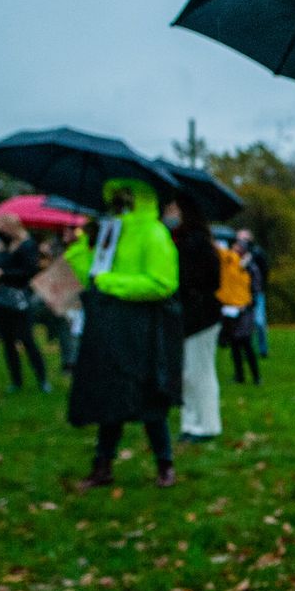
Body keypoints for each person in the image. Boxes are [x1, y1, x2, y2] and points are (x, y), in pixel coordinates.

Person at [65, 178, 181, 489]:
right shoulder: (108, 232)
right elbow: (90, 275)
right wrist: (80, 246)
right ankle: (102, 465)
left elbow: (163, 283)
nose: (118, 201)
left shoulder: (154, 233)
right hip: (108, 324)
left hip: (142, 326)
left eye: (124, 195)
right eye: (113, 196)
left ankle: (165, 463)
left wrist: (113, 283)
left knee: (148, 395)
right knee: (109, 394)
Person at [165, 194, 223, 442]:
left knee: (199, 371)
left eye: (173, 209)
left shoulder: (197, 243)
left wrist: (187, 285)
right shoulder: (178, 241)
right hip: (188, 316)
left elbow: (211, 280)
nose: (169, 214)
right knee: (188, 373)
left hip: (201, 316)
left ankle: (207, 425)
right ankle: (191, 423)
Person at [0, 214, 51, 394]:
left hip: (20, 299)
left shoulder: (28, 246)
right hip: (3, 299)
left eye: (1, 226)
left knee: (26, 339)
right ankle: (16, 380)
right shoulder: (3, 247)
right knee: (7, 341)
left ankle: (42, 379)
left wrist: (3, 273)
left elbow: (29, 271)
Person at [216, 239, 260, 385]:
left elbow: (255, 289)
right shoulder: (230, 264)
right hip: (231, 309)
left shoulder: (250, 268)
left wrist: (247, 305)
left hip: (244, 310)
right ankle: (239, 375)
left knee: (246, 344)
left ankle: (256, 376)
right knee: (235, 345)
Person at [236, 229, 270, 357]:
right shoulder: (236, 255)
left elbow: (264, 271)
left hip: (256, 292)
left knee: (259, 322)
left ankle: (263, 350)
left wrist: (260, 288)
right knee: (244, 324)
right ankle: (246, 349)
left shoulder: (257, 253)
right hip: (242, 293)